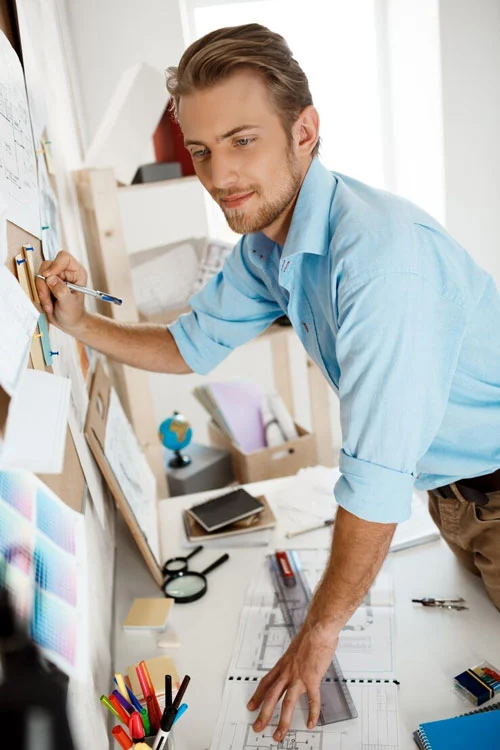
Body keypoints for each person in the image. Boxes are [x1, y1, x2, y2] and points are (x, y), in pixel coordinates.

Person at [36, 23, 500, 742]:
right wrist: (77, 322)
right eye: (201, 149)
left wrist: (315, 640)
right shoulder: (266, 246)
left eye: (243, 139)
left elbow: (374, 484)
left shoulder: (379, 264)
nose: (218, 175)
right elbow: (191, 346)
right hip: (454, 498)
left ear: (305, 131)